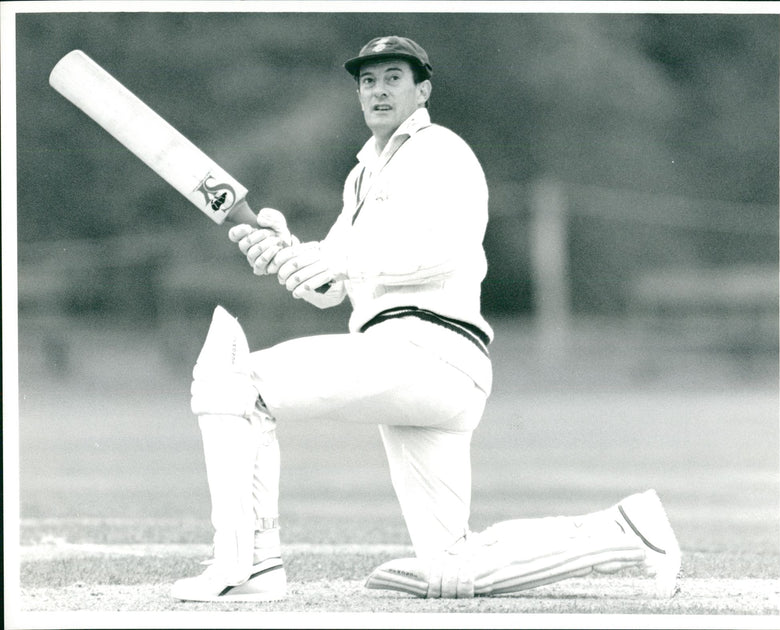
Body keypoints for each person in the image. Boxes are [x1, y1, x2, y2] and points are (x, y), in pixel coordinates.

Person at [170, 36, 681, 602]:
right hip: (409, 364)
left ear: (423, 90)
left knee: (234, 384)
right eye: (368, 80)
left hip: (428, 349)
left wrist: (332, 259)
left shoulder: (441, 151)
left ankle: (249, 567)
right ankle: (626, 528)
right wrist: (284, 248)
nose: (379, 90)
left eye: (393, 77)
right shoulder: (363, 173)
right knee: (451, 567)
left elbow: (446, 249)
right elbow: (328, 287)